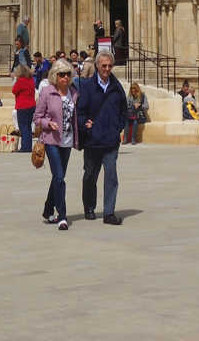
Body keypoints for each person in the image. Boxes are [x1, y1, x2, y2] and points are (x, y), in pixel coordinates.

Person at [75, 48, 128, 225]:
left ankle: (109, 212)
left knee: (111, 175)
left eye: (110, 66)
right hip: (93, 140)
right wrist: (85, 124)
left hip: (111, 140)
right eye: (104, 65)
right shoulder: (87, 86)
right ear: (97, 65)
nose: (107, 69)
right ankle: (89, 207)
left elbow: (123, 110)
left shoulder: (116, 87)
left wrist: (117, 128)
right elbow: (80, 112)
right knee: (90, 174)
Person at [33, 59, 79, 231]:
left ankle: (47, 210)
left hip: (67, 141)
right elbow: (37, 117)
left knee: (57, 178)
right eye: (61, 74)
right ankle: (62, 216)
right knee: (59, 177)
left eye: (68, 74)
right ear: (55, 76)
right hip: (51, 140)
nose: (65, 77)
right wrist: (47, 123)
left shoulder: (74, 93)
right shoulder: (47, 92)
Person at [12, 65, 37, 152]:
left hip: (23, 106)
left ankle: (25, 147)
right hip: (31, 105)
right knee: (28, 127)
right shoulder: (31, 79)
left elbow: (14, 91)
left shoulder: (20, 81)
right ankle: (28, 146)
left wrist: (15, 80)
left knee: (23, 127)